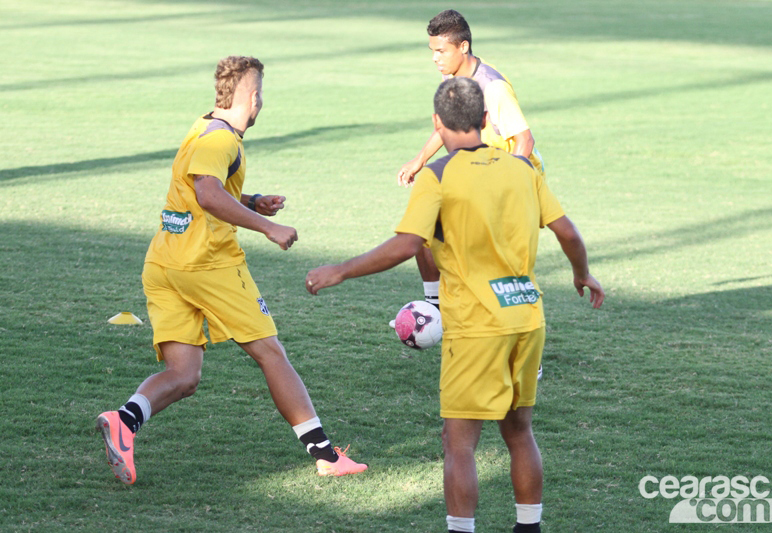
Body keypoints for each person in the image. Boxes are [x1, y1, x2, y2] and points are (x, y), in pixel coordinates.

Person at [306, 77, 604, 532]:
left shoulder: (437, 175)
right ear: (485, 121)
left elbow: (408, 244)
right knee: (519, 431)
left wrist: (341, 270)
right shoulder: (523, 169)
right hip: (527, 317)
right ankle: (529, 527)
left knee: (459, 443)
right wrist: (582, 273)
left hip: (477, 325)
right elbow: (568, 233)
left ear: (437, 123)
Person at [95, 55, 367, 485]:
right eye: (262, 96)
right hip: (208, 266)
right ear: (253, 97)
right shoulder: (221, 141)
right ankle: (327, 455)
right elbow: (206, 193)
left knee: (184, 376)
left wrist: (251, 199)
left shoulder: (201, 127)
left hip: (165, 263)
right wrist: (268, 226)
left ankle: (124, 420)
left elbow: (204, 187)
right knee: (271, 353)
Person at [396, 9, 542, 316]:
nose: (435, 58)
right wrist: (421, 158)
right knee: (426, 230)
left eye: (441, 51)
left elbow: (524, 141)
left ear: (463, 47)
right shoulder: (452, 77)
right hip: (478, 173)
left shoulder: (492, 87)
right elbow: (451, 124)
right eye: (432, 51)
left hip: (511, 179)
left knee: (500, 271)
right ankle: (437, 311)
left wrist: (508, 188)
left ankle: (530, 357)